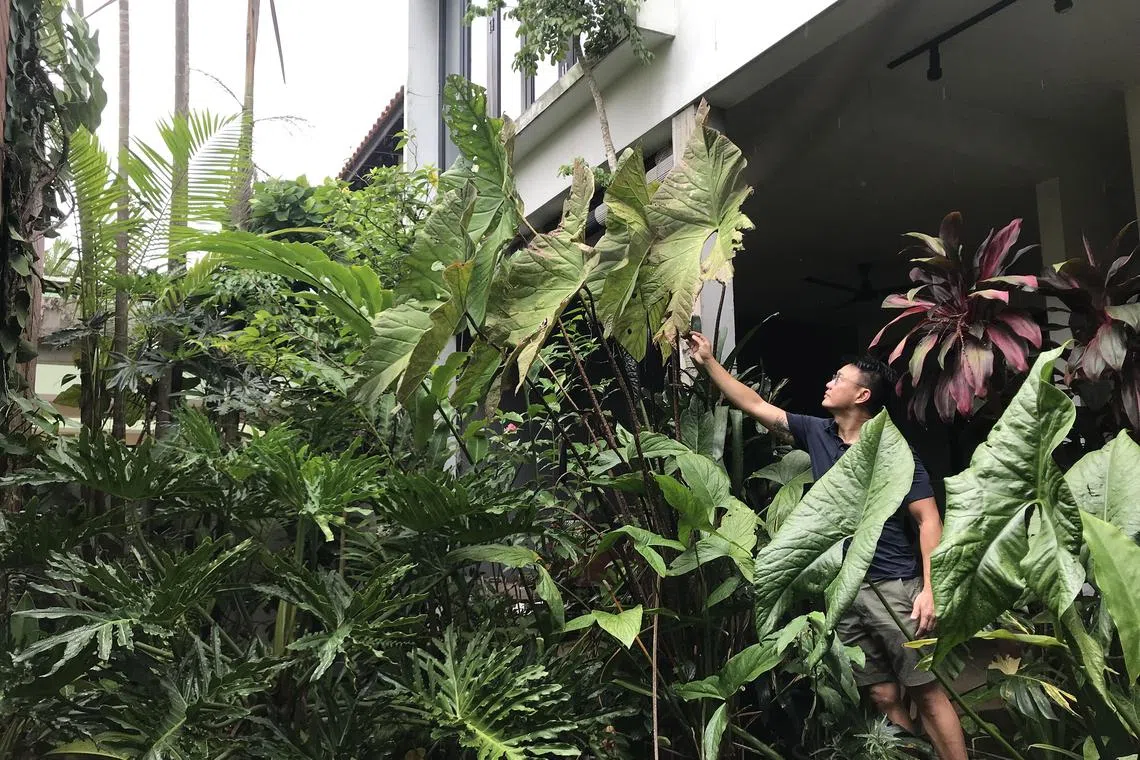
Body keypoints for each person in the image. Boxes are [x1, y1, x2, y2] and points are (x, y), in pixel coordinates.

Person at [686, 331, 967, 760]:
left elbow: (928, 519)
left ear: (863, 394)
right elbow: (756, 404)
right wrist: (707, 362)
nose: (828, 383)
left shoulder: (892, 448)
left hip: (896, 586)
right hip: (843, 588)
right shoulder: (817, 432)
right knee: (884, 696)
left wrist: (931, 589)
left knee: (926, 693)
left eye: (839, 378)